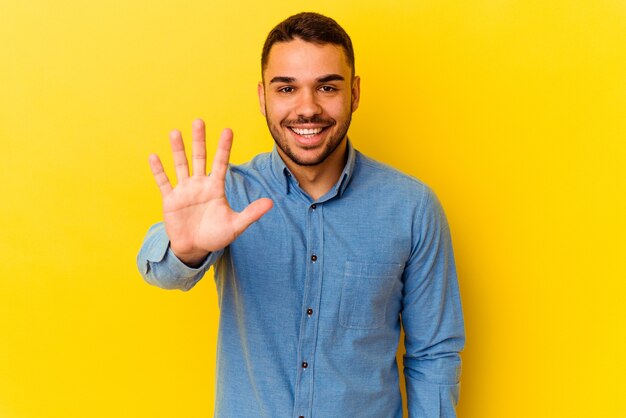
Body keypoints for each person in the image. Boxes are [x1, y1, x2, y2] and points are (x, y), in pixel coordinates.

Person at [137, 12, 465, 418]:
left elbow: (434, 353)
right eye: (287, 88)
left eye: (327, 87)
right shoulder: (225, 196)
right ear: (262, 97)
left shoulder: (412, 208)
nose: (307, 108)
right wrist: (185, 252)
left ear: (355, 93)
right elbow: (158, 268)